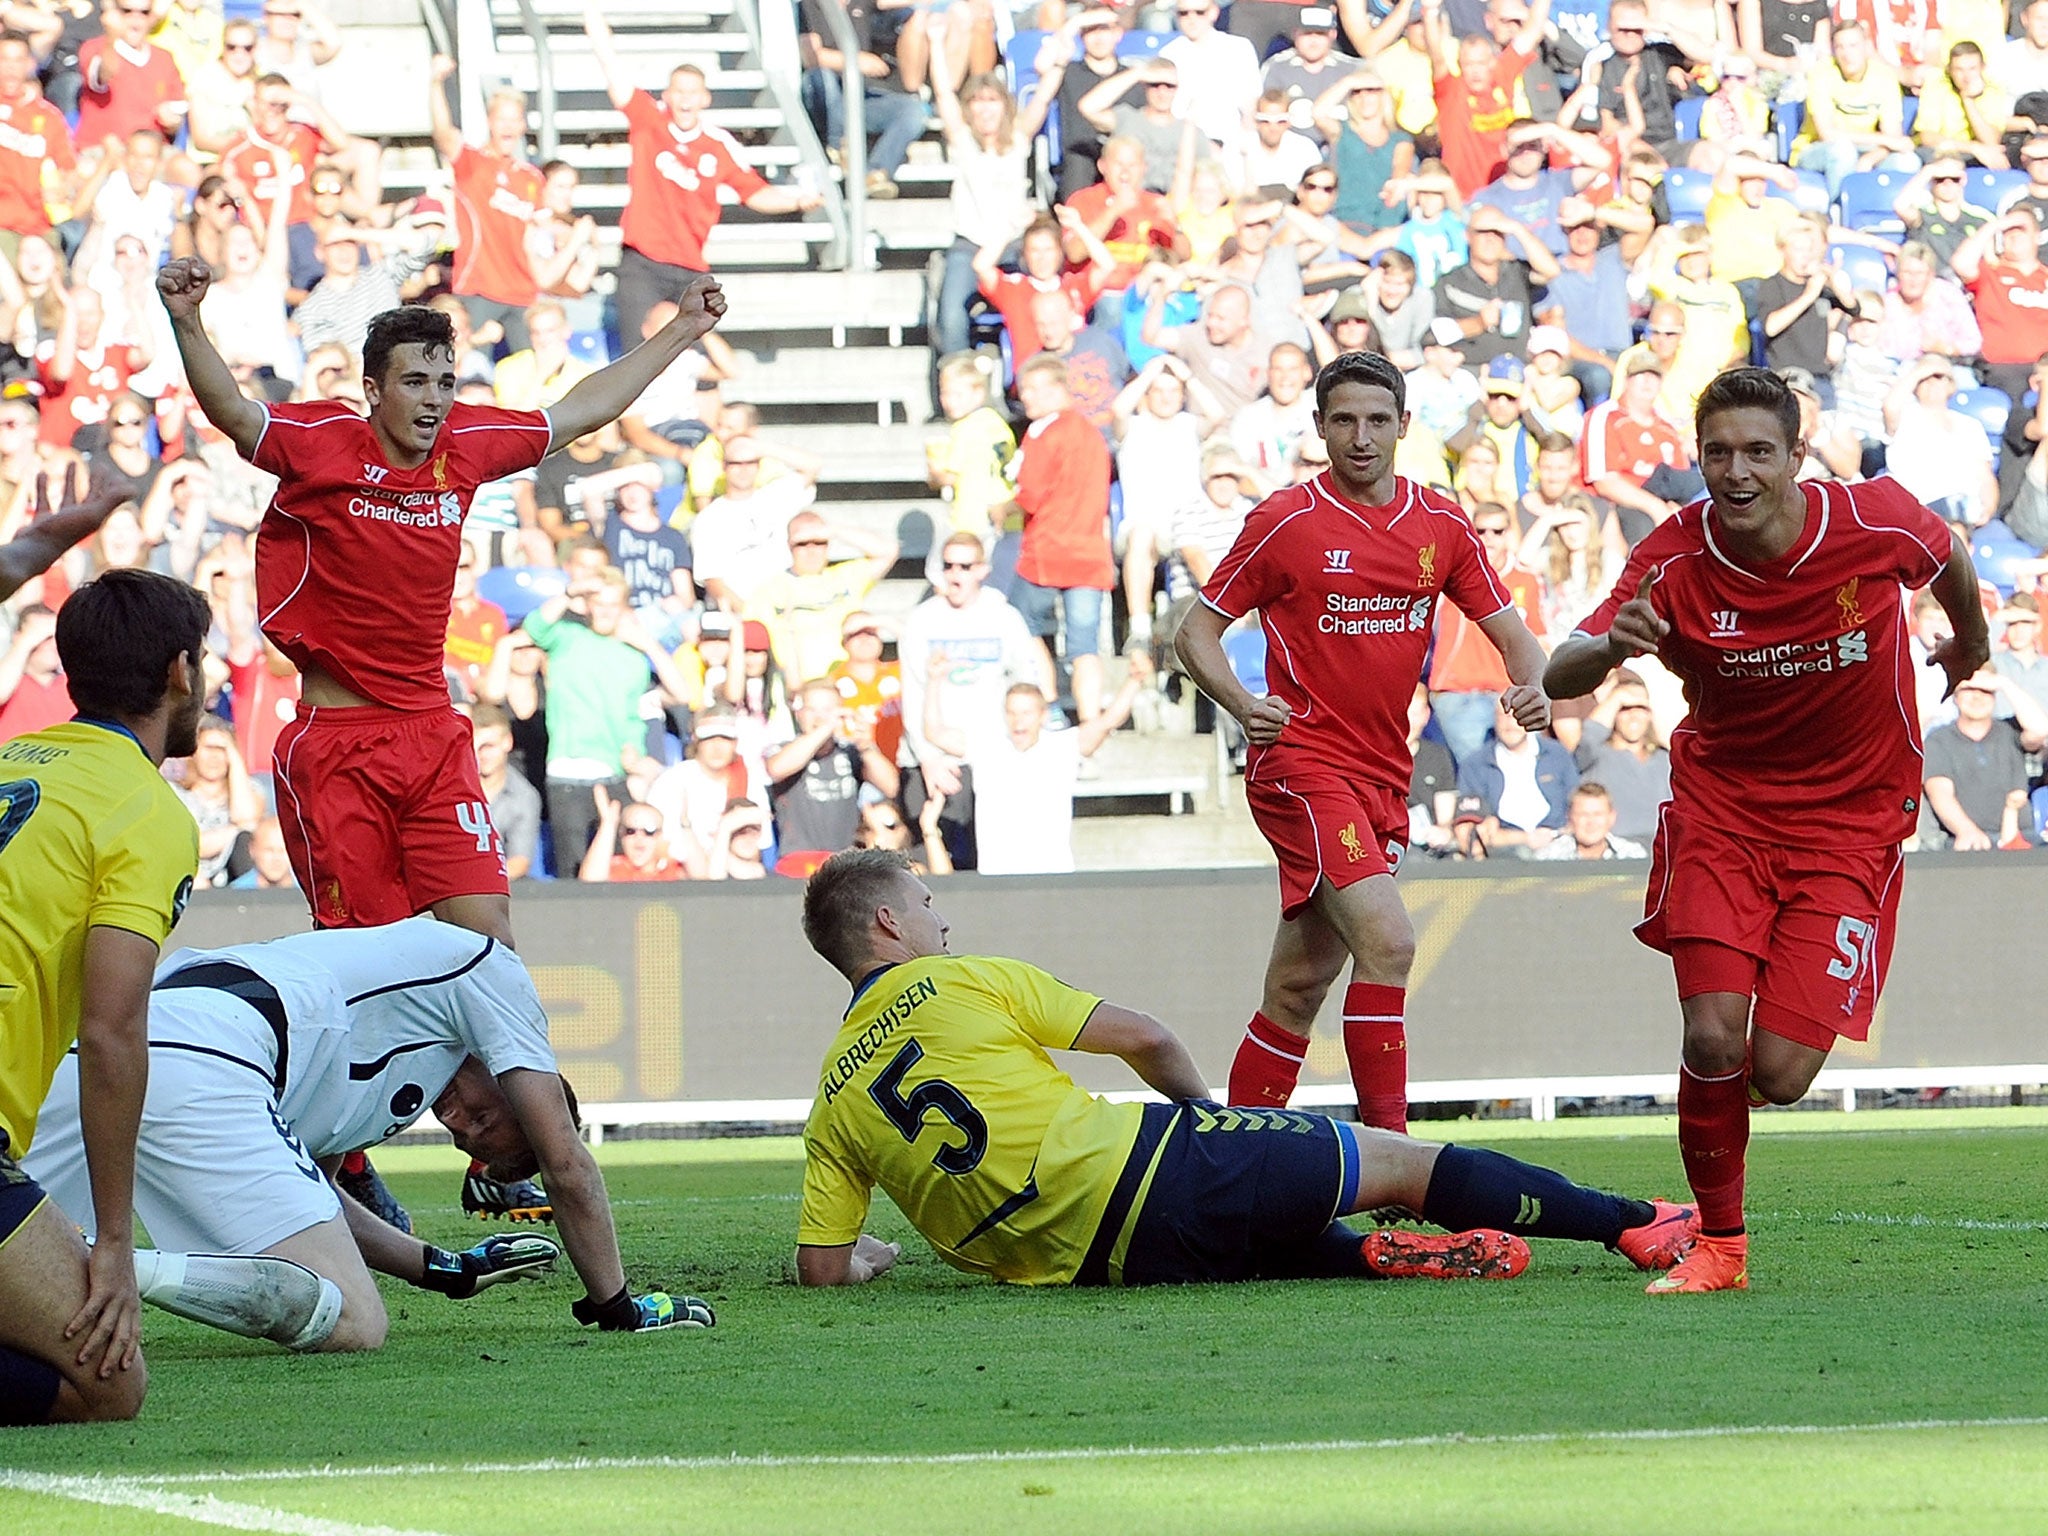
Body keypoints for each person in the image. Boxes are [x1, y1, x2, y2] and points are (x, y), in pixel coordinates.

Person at [1544, 367, 1992, 1294]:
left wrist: (1971, 646)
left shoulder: (1873, 519)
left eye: (1758, 451)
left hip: (1851, 826)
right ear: (1697, 458)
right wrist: (1615, 645)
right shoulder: (1670, 558)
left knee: (1779, 1073)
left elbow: (1947, 555)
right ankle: (1721, 1247)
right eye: (1718, 453)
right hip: (1724, 816)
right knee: (1713, 1037)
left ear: (1796, 453)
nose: (1737, 472)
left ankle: (1713, 1127)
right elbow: (1562, 673)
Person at [791, 849, 1698, 1287]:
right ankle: (1633, 1224)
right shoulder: (958, 978)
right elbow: (1147, 1039)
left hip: (1089, 1269)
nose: (938, 916)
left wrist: (869, 1260)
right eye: (925, 900)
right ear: (886, 926)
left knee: (1248, 1224)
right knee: (1395, 1161)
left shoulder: (832, 1097)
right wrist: (1203, 1116)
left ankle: (1360, 1260)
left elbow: (822, 1269)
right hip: (1146, 1169)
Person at [156, 260, 728, 947]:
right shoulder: (323, 441)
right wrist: (187, 320)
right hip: (338, 744)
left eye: (446, 383)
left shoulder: (467, 444)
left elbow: (582, 409)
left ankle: (497, 1059)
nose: (434, 401)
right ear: (373, 390)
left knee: (487, 942)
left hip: (431, 735)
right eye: (415, 383)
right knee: (370, 955)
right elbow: (233, 413)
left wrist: (687, 330)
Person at [1174, 351, 1551, 1131]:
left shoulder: (1440, 522)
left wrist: (1534, 685)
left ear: (1405, 426)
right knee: (1389, 941)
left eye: (1378, 420)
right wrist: (1244, 704)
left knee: (1297, 986)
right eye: (1343, 420)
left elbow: (1514, 633)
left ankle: (1242, 1160)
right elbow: (1196, 633)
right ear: (1318, 428)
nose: (1361, 436)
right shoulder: (1285, 519)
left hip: (1383, 776)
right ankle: (1393, 1159)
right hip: (1300, 767)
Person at [25, 920, 712, 1346]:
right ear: (529, 1088)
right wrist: (615, 1304)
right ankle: (109, 1264)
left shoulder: (380, 1086)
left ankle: (75, 1261)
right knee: (355, 1321)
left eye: (465, 1140)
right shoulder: (489, 971)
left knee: (28, 1297)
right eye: (484, 1118)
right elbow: (567, 1167)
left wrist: (442, 1267)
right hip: (209, 1052)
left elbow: (315, 1209)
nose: (455, 1123)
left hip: (104, 1051)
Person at [0, 567, 207, 1424]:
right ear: (179, 673)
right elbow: (114, 1033)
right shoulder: (145, 813)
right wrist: (115, 1244)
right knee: (107, 1383)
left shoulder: (10, 759)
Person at [581, 4, 820, 346]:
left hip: (689, 269)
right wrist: (594, 23)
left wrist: (796, 200)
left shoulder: (719, 144)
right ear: (667, 96)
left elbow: (753, 192)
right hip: (642, 263)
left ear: (705, 98)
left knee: (692, 363)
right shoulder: (650, 121)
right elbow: (615, 75)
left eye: (692, 92)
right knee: (635, 358)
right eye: (678, 91)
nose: (685, 100)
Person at [924, 657, 1152, 876]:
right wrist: (934, 681)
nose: (1018, 720)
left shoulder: (1061, 747)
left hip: (1052, 876)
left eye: (1026, 713)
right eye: (1012, 713)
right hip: (997, 878)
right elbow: (934, 732)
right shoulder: (986, 748)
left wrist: (1134, 681)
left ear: (1042, 715)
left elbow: (1108, 720)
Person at [427, 55, 543, 354]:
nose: (508, 127)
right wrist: (435, 83)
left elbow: (538, 238)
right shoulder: (473, 163)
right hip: (479, 289)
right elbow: (443, 134)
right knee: (470, 369)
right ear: (490, 121)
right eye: (502, 119)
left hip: (523, 292)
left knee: (528, 375)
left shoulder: (532, 179)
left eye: (515, 119)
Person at [1921, 668, 2048, 848]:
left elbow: (2041, 730)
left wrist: (2005, 683)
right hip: (1964, 842)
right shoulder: (1938, 740)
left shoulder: (2011, 730)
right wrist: (1966, 830)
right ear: (1955, 697)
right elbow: (1940, 793)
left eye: (1985, 691)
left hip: (2023, 838)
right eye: (1969, 690)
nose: (1977, 697)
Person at [1530, 781, 1650, 859]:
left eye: (1598, 815)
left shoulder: (1632, 855)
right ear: (1570, 817)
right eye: (1583, 815)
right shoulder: (1549, 856)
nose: (1591, 823)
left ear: (1611, 817)